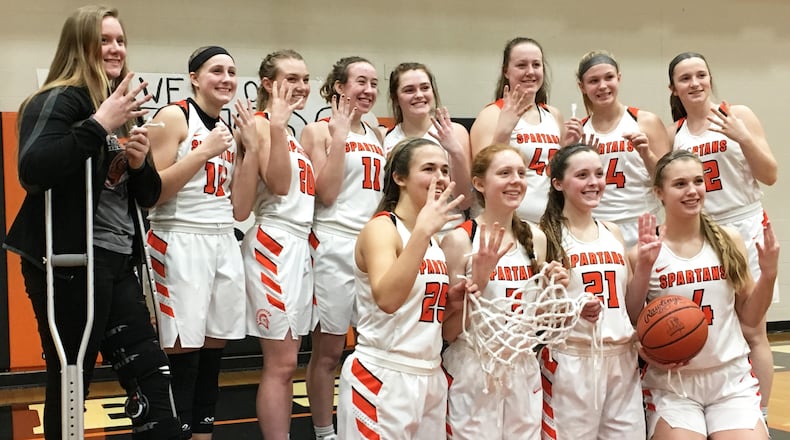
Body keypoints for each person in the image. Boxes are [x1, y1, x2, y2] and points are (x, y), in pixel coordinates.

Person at [3, 5, 180, 438]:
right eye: (104, 40)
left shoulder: (121, 105)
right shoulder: (60, 100)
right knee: (71, 371)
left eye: (120, 40)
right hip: (70, 260)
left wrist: (139, 166)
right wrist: (100, 124)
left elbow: (149, 197)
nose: (116, 48)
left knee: (150, 370)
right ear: (79, 45)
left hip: (119, 258)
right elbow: (33, 169)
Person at [627, 150, 778, 440]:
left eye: (698, 181)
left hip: (729, 379)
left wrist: (768, 276)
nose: (692, 190)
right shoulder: (643, 252)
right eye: (680, 184)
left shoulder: (728, 239)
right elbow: (632, 321)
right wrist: (644, 348)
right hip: (672, 384)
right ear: (659, 192)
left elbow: (750, 319)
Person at [667, 51, 778, 418]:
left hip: (745, 225)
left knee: (753, 330)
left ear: (710, 78)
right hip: (707, 234)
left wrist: (743, 137)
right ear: (673, 88)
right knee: (714, 327)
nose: (695, 83)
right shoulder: (675, 134)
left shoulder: (738, 114)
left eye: (701, 75)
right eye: (685, 78)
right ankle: (716, 404)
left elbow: (770, 174)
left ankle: (757, 414)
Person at [145, 46, 247, 439]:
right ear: (193, 77)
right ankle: (176, 431)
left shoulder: (230, 129)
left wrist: (248, 151)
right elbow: (152, 191)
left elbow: (239, 207)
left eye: (232, 72)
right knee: (182, 350)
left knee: (213, 349)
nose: (225, 78)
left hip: (222, 237)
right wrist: (204, 152)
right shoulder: (175, 116)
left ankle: (203, 432)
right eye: (216, 70)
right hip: (178, 237)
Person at [336, 137, 469, 439]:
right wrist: (422, 231)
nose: (440, 178)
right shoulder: (382, 228)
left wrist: (455, 302)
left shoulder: (433, 240)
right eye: (429, 169)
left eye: (445, 170)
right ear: (400, 178)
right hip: (383, 373)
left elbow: (428, 321)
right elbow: (388, 299)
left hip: (429, 374)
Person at [440, 144, 569, 439]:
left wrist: (553, 292)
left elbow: (540, 325)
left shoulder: (536, 237)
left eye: (521, 173)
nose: (516, 180)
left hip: (523, 366)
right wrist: (480, 283)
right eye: (504, 173)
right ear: (479, 183)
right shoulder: (459, 240)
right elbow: (446, 332)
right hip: (472, 368)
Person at [300, 56, 386, 440]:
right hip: (332, 242)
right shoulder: (317, 131)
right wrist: (338, 137)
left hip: (372, 247)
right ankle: (324, 432)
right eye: (360, 82)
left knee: (373, 345)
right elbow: (327, 193)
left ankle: (366, 422)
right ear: (339, 87)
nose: (368, 90)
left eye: (373, 83)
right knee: (330, 351)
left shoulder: (378, 134)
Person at [231, 49, 315, 440]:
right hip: (274, 244)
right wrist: (279, 128)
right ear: (267, 84)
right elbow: (280, 186)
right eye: (291, 78)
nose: (301, 86)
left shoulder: (289, 133)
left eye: (305, 78)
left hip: (298, 246)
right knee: (280, 364)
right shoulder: (265, 126)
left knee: (289, 362)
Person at [538, 144, 645, 439]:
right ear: (557, 183)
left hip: (623, 357)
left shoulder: (614, 232)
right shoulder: (545, 235)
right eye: (582, 175)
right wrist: (572, 307)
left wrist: (645, 265)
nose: (594, 182)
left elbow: (630, 308)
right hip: (572, 358)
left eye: (599, 174)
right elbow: (537, 312)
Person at [470, 37, 583, 223]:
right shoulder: (491, 114)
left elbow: (557, 174)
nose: (530, 72)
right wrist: (503, 132)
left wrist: (567, 149)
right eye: (521, 65)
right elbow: (480, 177)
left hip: (548, 221)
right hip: (506, 223)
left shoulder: (553, 115)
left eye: (536, 65)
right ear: (506, 71)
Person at [576, 50, 670, 248]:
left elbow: (669, 182)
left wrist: (646, 154)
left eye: (609, 77)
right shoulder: (578, 132)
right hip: (598, 226)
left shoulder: (646, 122)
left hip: (643, 223)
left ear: (618, 79)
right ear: (582, 86)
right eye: (593, 81)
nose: (603, 86)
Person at [384, 62, 472, 220]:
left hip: (447, 228)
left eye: (425, 88)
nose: (419, 95)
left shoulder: (456, 132)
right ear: (395, 97)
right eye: (409, 90)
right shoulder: (384, 136)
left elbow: (464, 201)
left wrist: (455, 152)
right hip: (403, 228)